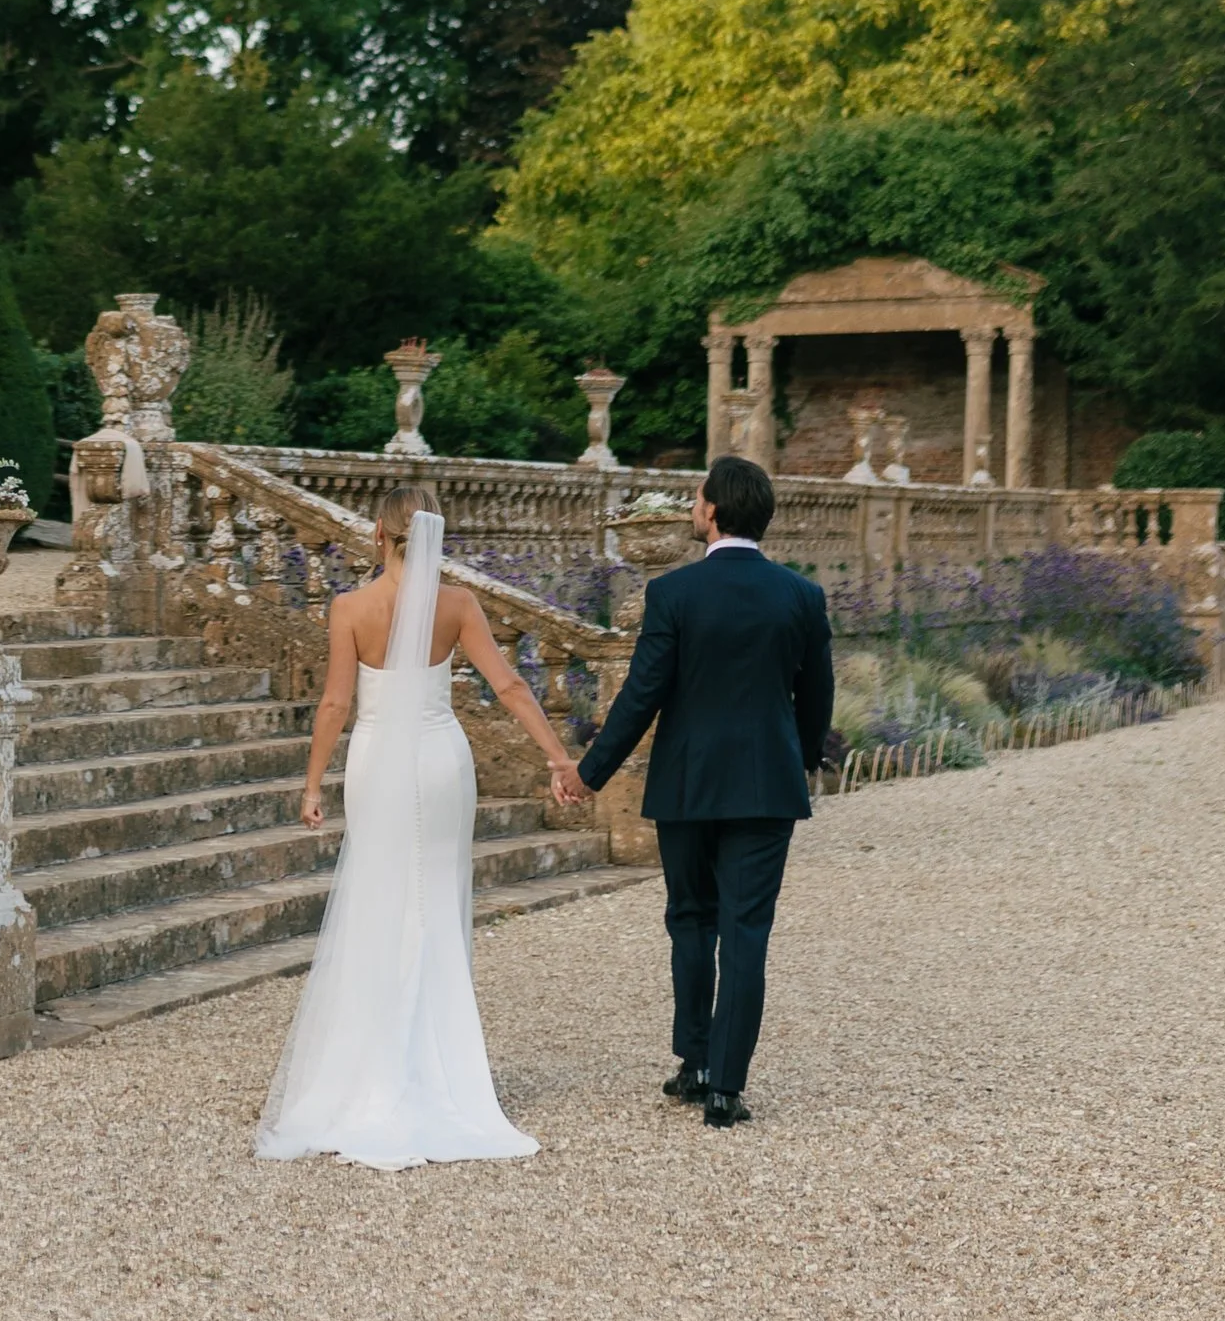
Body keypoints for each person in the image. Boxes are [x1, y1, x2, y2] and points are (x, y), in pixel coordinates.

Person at [254, 482, 581, 1168]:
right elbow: (512, 686)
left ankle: (372, 1062)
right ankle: (442, 1063)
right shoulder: (457, 605)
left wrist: (312, 783)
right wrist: (558, 757)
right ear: (434, 535)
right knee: (436, 902)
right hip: (439, 761)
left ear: (378, 535)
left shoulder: (349, 607)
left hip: (376, 762)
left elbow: (336, 703)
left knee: (379, 901)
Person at [576, 451, 835, 1132]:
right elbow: (817, 698)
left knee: (691, 919)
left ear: (713, 510)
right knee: (747, 931)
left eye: (696, 500)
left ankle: (692, 1062)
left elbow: (641, 698)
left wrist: (589, 771)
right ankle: (725, 1086)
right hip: (766, 785)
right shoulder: (802, 596)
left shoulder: (675, 595)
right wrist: (801, 763)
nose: (693, 509)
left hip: (688, 783)